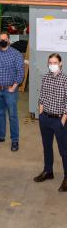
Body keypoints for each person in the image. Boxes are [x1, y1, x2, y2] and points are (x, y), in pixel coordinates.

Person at [0, 32, 24, 151]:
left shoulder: (16, 54)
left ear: (9, 40)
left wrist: (14, 87)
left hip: (10, 90)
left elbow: (20, 72)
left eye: (5, 39)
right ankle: (0, 136)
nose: (3, 41)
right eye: (1, 39)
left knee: (13, 116)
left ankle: (15, 140)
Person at [35, 53, 67, 192]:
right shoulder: (46, 77)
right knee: (47, 147)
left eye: (54, 62)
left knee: (64, 151)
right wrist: (41, 114)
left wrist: (63, 120)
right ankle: (48, 171)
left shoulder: (65, 80)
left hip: (59, 120)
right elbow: (41, 96)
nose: (52, 65)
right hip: (45, 118)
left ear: (60, 64)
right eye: (50, 62)